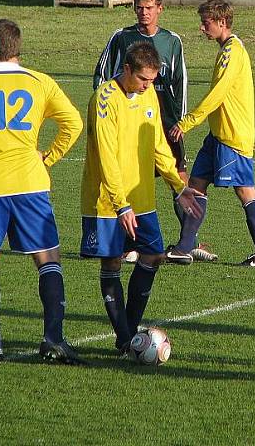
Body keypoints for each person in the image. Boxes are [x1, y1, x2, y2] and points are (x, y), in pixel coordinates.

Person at [0, 19, 84, 364]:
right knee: (48, 259)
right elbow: (74, 123)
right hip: (30, 183)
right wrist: (48, 158)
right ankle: (53, 340)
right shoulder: (40, 81)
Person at [81, 42, 202, 354]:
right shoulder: (104, 99)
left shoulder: (149, 94)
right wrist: (121, 204)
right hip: (107, 201)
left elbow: (158, 144)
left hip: (143, 198)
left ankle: (130, 334)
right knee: (112, 263)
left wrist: (178, 185)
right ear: (127, 70)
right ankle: (124, 338)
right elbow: (107, 156)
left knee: (153, 256)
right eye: (144, 79)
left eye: (152, 79)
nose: (149, 85)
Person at [93, 0, 217, 263]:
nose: (144, 13)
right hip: (131, 124)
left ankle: (188, 242)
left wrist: (181, 122)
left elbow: (180, 82)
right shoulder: (121, 38)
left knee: (179, 179)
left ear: (160, 9)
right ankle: (128, 244)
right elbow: (102, 75)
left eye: (149, 8)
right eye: (139, 7)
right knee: (132, 179)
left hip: (167, 124)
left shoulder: (172, 41)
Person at [168, 0, 255, 267]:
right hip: (217, 135)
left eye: (206, 23)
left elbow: (218, 95)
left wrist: (186, 122)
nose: (202, 28)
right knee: (196, 185)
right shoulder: (226, 49)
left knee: (245, 191)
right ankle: (184, 247)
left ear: (222, 22)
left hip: (231, 136)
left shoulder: (232, 52)